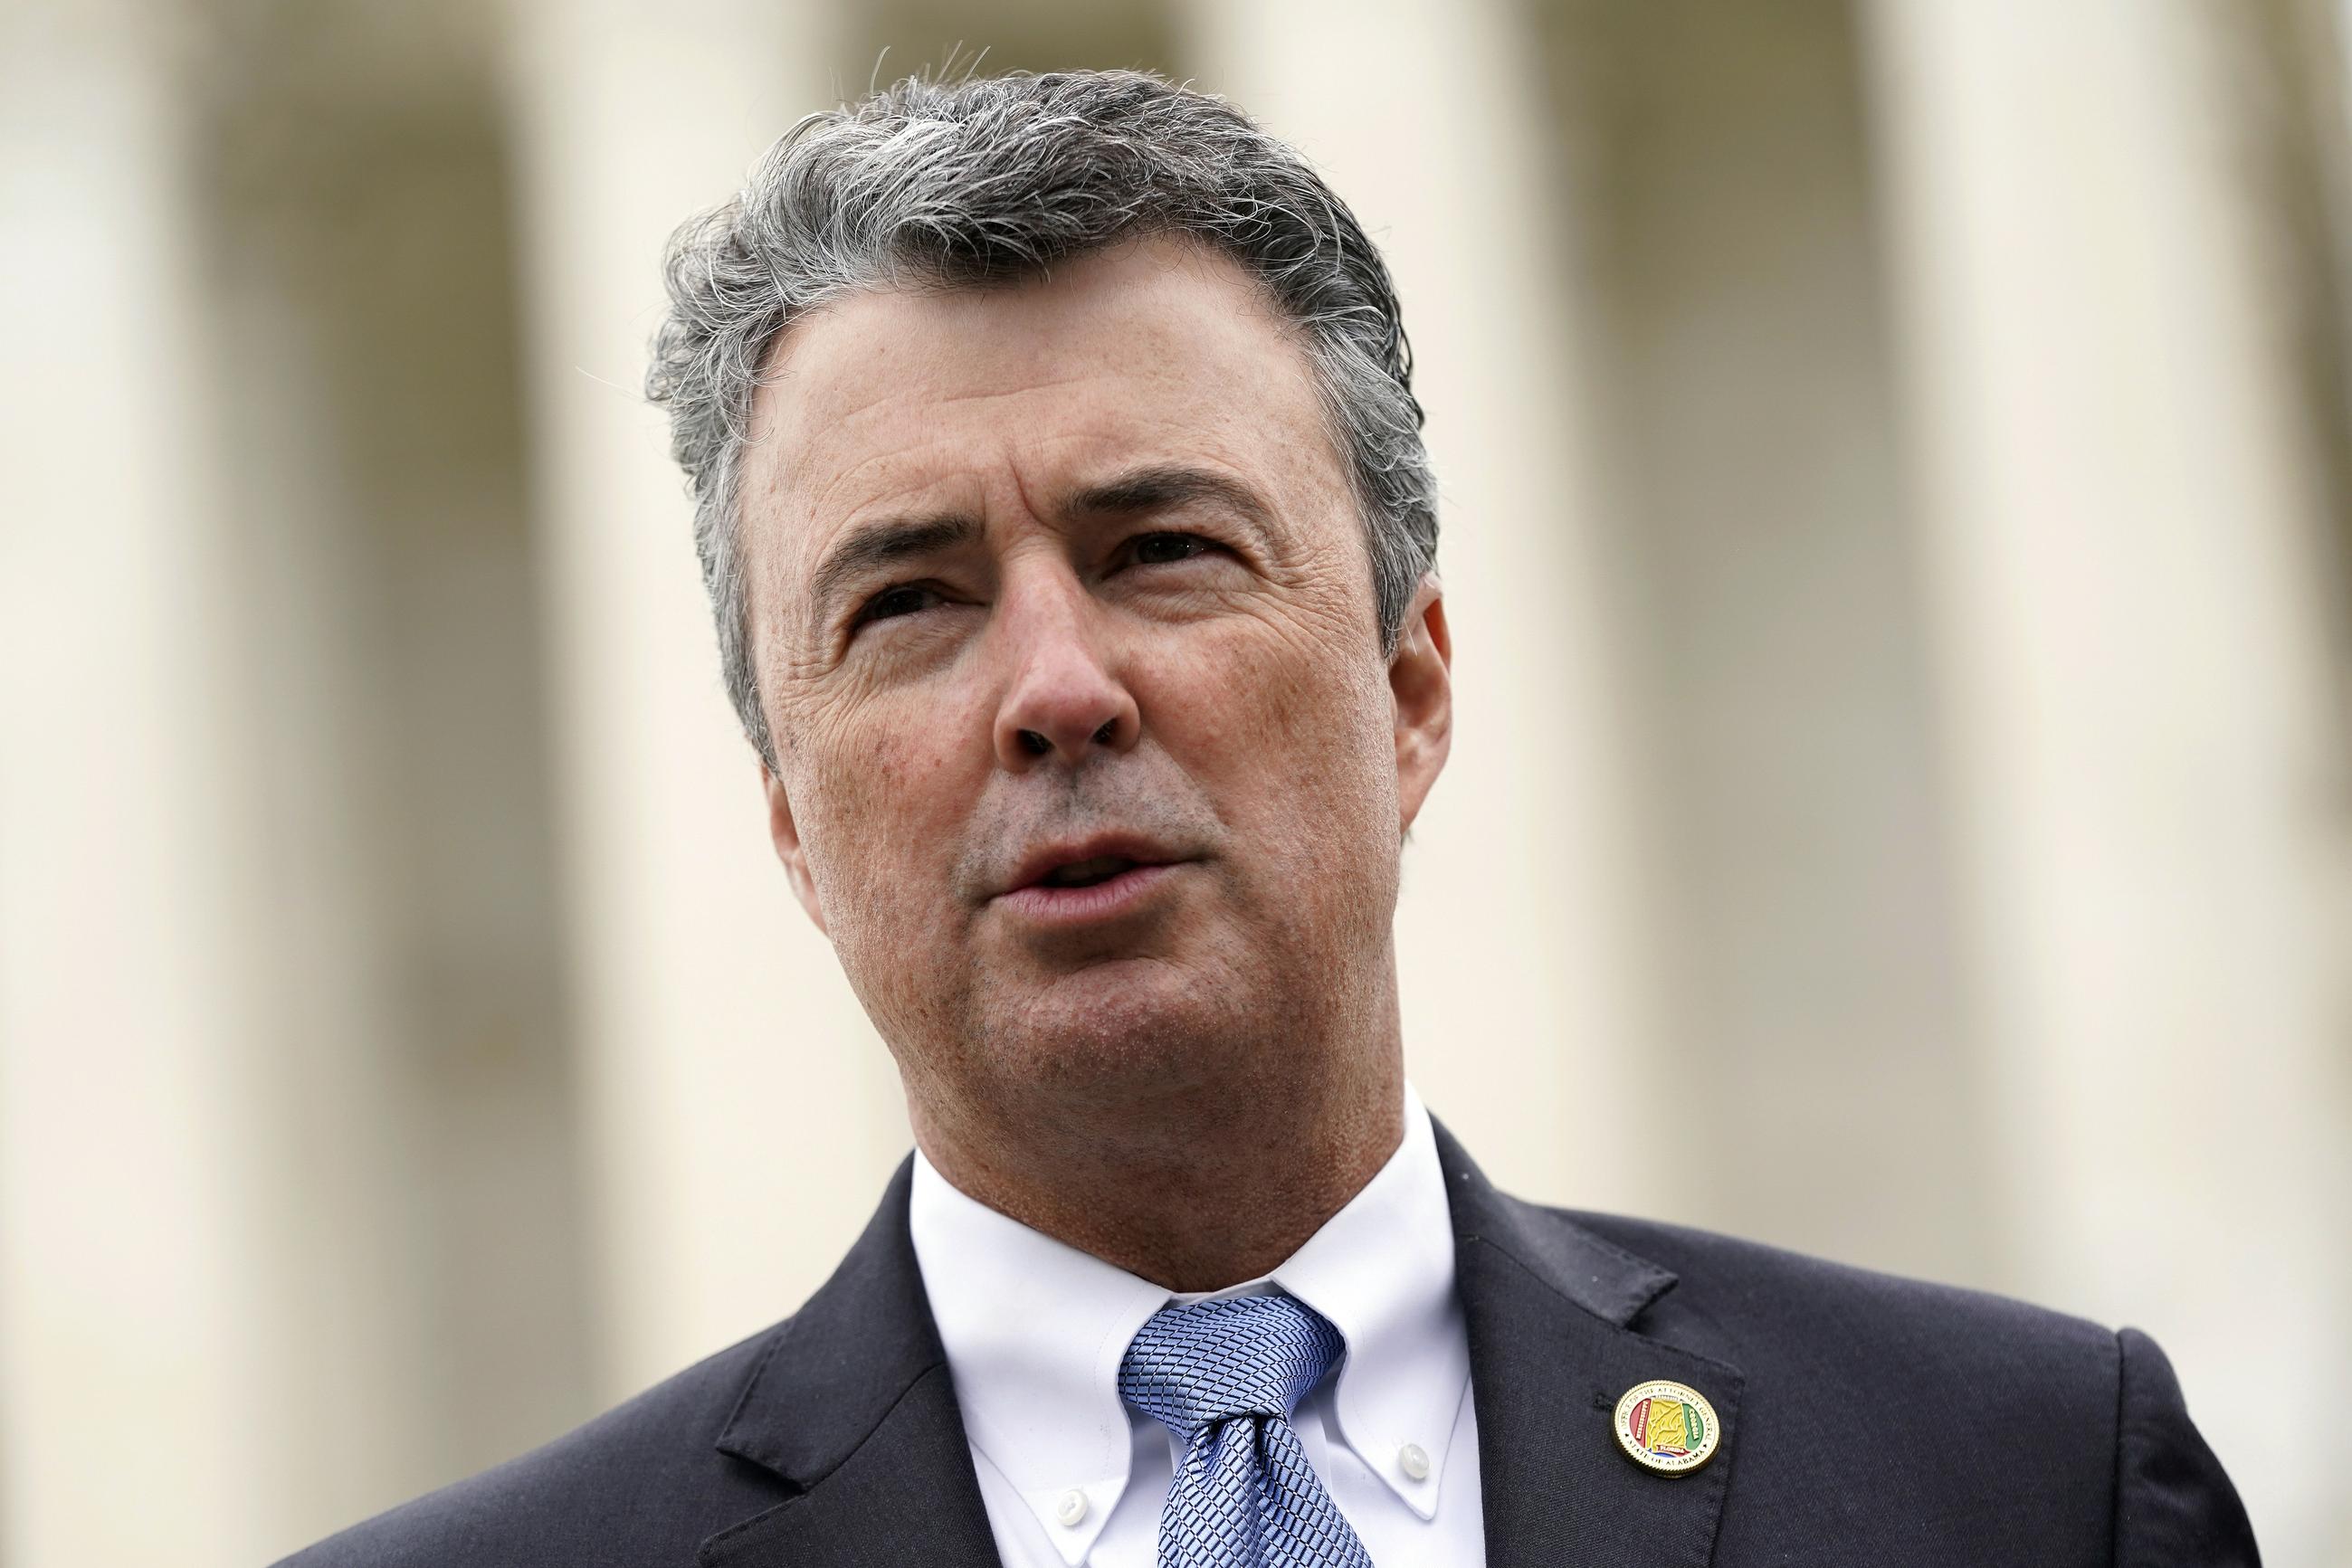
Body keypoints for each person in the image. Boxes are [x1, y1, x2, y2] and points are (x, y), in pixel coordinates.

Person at [279, 69, 2258, 1568]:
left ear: (1410, 687)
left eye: (1162, 550)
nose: (1056, 689)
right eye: (910, 601)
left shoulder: (2019, 1487)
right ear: (791, 821)